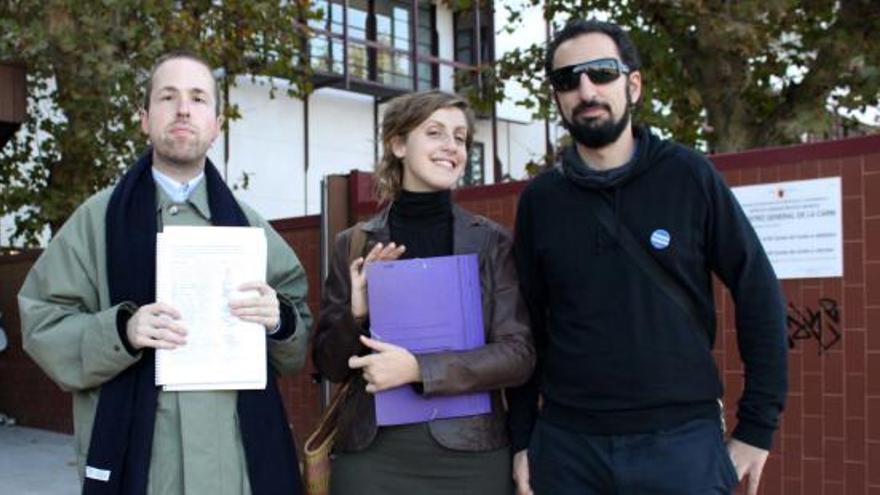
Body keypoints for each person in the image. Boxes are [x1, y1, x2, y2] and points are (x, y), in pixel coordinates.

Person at [508, 19, 788, 495]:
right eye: (567, 79)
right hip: (568, 449)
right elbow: (525, 325)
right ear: (556, 97)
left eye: (601, 72)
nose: (585, 89)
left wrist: (757, 430)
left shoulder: (689, 176)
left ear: (632, 85)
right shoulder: (541, 201)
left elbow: (757, 289)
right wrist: (522, 439)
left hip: (681, 447)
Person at [18, 51, 312, 495]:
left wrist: (278, 319)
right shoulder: (97, 221)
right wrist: (122, 329)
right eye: (167, 96)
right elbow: (42, 320)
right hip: (144, 471)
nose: (182, 109)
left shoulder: (251, 228)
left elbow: (297, 331)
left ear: (216, 124)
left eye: (198, 98)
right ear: (144, 118)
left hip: (239, 473)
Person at [312, 90, 535, 495]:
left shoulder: (491, 243)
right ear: (398, 144)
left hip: (471, 455)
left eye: (461, 137)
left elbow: (518, 356)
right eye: (435, 133)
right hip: (373, 453)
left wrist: (419, 369)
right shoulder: (354, 243)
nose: (452, 146)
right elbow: (330, 366)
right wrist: (356, 313)